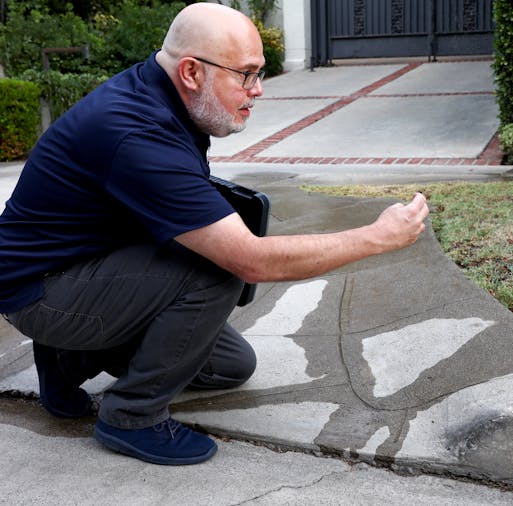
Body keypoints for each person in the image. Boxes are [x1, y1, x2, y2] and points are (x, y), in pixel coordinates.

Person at [0, 3, 428, 466]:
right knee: (218, 271)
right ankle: (132, 417)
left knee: (230, 366)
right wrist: (377, 237)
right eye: (247, 74)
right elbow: (251, 260)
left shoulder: (161, 93)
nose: (258, 90)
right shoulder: (134, 132)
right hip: (40, 290)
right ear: (191, 71)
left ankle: (67, 361)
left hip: (77, 267)